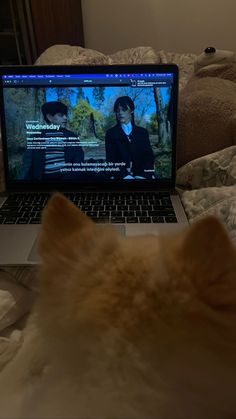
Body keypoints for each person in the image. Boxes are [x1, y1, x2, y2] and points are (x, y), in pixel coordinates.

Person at [21, 101, 84, 180]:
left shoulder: (72, 136)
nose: (65, 118)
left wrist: (71, 178)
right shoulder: (36, 136)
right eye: (61, 115)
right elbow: (27, 163)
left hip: (68, 180)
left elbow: (79, 159)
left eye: (65, 115)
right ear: (49, 117)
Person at [105, 96, 155, 180]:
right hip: (119, 177)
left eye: (124, 109)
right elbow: (111, 160)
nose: (120, 113)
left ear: (131, 110)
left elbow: (149, 157)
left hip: (142, 177)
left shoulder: (142, 133)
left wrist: (141, 175)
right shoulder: (111, 134)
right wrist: (125, 176)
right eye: (117, 110)